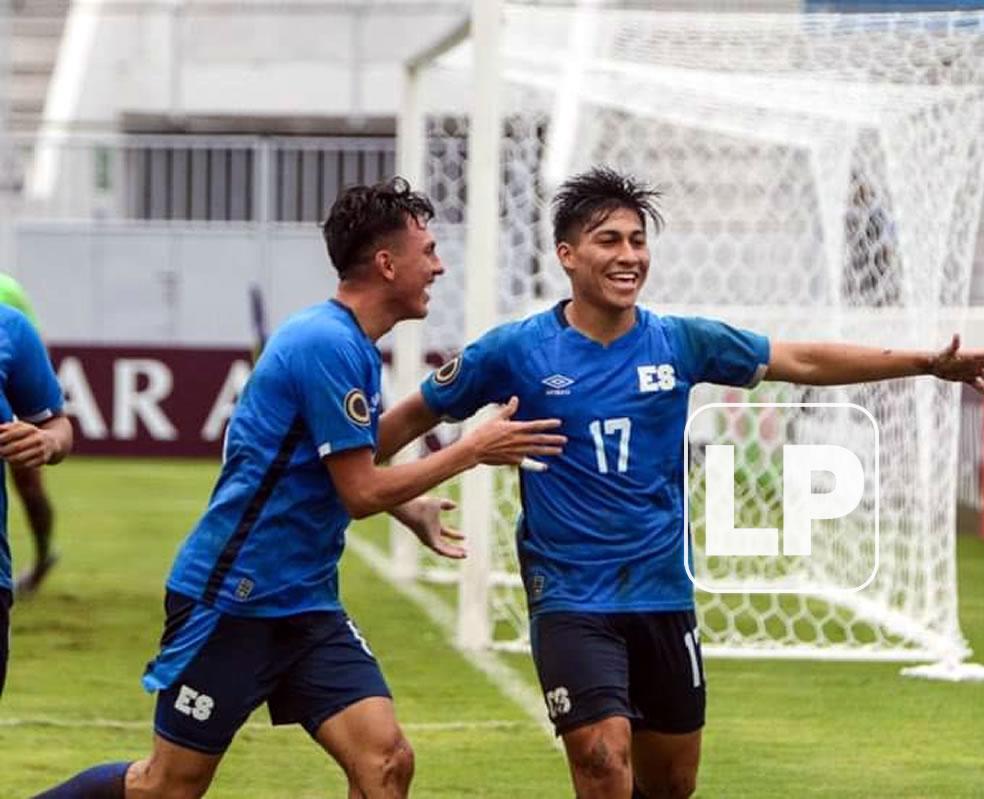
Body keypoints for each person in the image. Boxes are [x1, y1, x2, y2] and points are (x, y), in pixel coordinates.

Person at [405, 166, 984, 799]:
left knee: (671, 784)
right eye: (608, 240)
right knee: (601, 759)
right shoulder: (516, 350)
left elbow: (799, 360)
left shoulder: (681, 341)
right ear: (567, 255)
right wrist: (400, 494)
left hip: (662, 595)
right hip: (569, 597)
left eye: (637, 240)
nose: (628, 255)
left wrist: (924, 362)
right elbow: (409, 418)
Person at [37, 177, 566, 799]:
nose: (440, 266)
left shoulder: (351, 344)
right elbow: (360, 491)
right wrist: (470, 452)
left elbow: (349, 461)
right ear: (386, 262)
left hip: (305, 604)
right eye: (428, 251)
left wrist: (414, 498)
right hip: (233, 600)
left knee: (386, 761)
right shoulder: (324, 342)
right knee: (165, 787)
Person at [0, 302, 73, 698]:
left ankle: (44, 553)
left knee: (31, 489)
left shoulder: (9, 325)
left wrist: (46, 442)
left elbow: (55, 424)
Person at [0, 272, 62, 595]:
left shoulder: (8, 292)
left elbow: (32, 348)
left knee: (29, 485)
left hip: (10, 399)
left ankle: (41, 556)